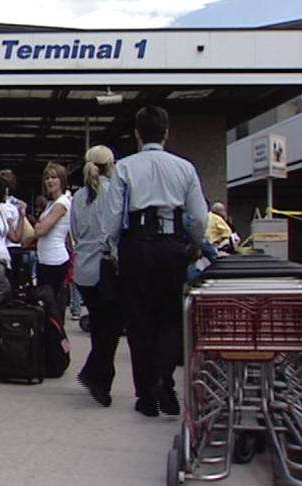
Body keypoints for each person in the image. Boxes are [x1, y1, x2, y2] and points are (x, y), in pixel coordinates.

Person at [100, 105, 208, 417]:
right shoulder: (184, 168)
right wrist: (194, 246)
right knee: (170, 318)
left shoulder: (124, 168)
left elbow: (111, 216)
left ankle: (146, 394)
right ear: (166, 132)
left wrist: (114, 249)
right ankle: (165, 378)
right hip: (172, 245)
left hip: (137, 245)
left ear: (137, 133)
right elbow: (199, 216)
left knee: (139, 322)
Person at [70, 145, 124, 407]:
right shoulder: (115, 192)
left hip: (84, 268)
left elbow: (75, 233)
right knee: (111, 328)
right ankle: (99, 378)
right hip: (106, 267)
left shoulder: (78, 197)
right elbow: (117, 228)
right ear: (111, 165)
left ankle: (95, 375)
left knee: (100, 326)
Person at [32, 162, 72, 325]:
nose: (49, 181)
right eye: (47, 178)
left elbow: (42, 231)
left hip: (55, 262)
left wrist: (38, 227)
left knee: (54, 310)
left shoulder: (62, 203)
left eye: (54, 177)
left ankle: (57, 346)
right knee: (45, 310)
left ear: (62, 180)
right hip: (44, 260)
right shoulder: (50, 203)